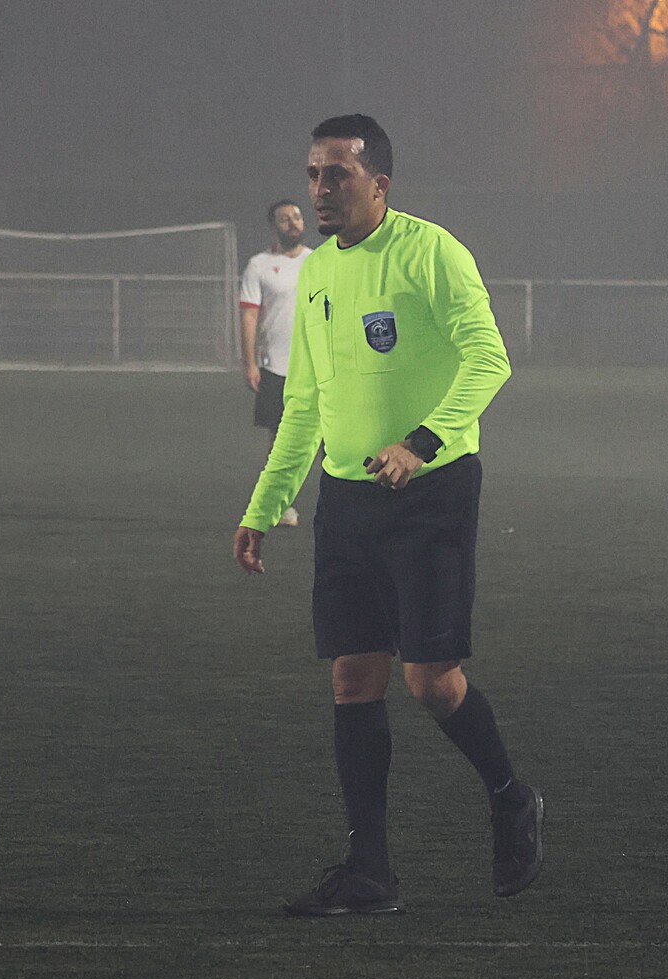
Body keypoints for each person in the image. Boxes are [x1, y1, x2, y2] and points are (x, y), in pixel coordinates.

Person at [233, 114, 542, 916]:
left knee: (430, 681)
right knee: (352, 677)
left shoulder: (432, 252)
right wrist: (266, 504)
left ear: (380, 183)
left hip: (431, 494)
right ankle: (370, 874)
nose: (320, 189)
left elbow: (489, 358)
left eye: (337, 174)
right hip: (347, 501)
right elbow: (304, 404)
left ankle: (511, 796)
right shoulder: (317, 274)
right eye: (313, 174)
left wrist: (421, 442)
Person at [239, 200, 312, 527]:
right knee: (280, 440)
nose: (293, 223)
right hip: (276, 367)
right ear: (274, 226)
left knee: (331, 439)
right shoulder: (259, 266)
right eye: (285, 219)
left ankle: (342, 504)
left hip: (317, 367)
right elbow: (249, 315)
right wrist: (250, 363)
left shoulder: (318, 261)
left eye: (297, 217)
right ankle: (279, 504)